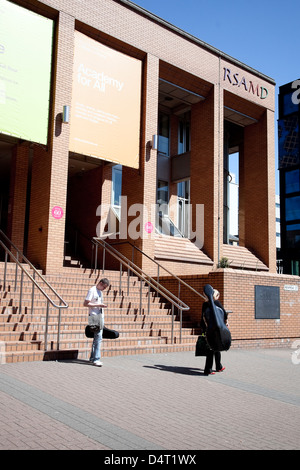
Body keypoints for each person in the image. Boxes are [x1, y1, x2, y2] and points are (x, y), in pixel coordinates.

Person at [201, 289, 228, 375]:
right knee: (213, 348)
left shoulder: (205, 304)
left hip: (207, 328)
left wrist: (203, 329)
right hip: (216, 328)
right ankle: (208, 369)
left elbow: (202, 317)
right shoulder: (217, 303)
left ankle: (218, 366)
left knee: (213, 347)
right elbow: (224, 314)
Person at [84, 278, 110, 366]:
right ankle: (96, 359)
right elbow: (85, 303)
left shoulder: (100, 292)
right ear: (100, 283)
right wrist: (98, 305)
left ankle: (93, 358)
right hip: (94, 316)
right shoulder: (92, 290)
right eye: (104, 287)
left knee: (97, 338)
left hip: (100, 316)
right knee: (98, 337)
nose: (104, 289)